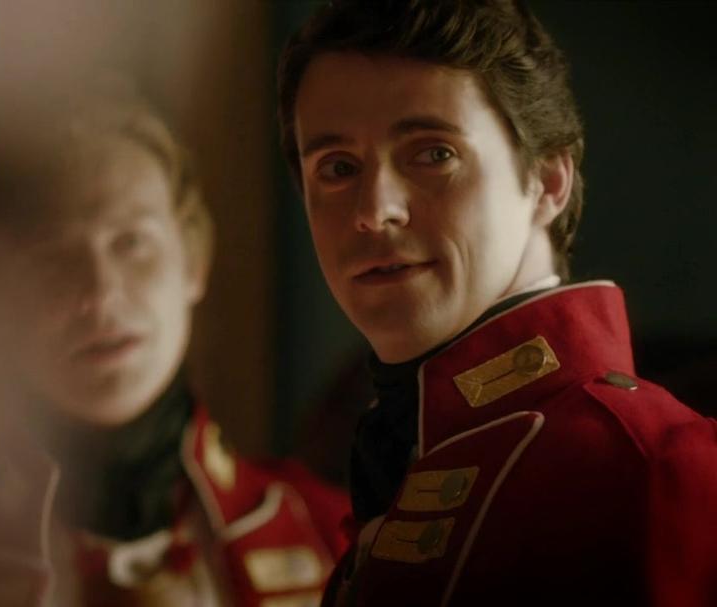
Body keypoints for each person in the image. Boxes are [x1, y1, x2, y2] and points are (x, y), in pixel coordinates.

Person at [276, 1, 717, 606]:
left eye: (434, 153)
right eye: (338, 167)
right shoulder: (393, 452)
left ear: (547, 180)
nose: (374, 210)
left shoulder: (652, 465)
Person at [0, 88, 349, 606]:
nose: (100, 293)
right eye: (52, 257)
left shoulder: (331, 535)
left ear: (193, 260)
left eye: (131, 243)